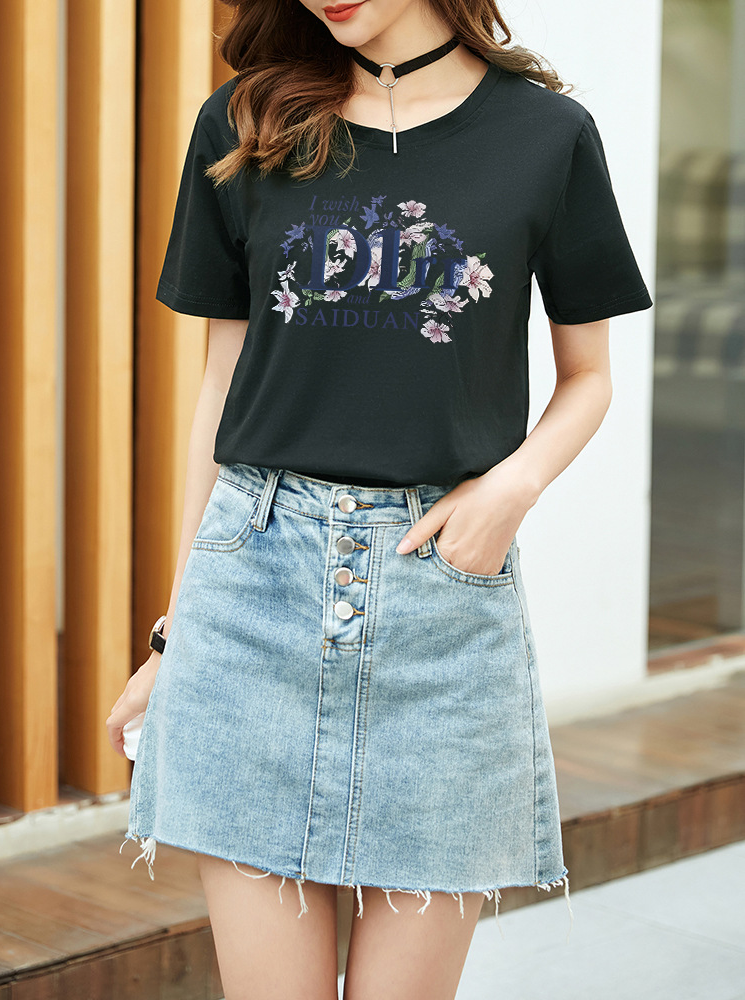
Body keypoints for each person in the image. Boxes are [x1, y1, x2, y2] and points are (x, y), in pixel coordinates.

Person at [106, 1, 653, 997]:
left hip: (440, 602)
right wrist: (174, 636)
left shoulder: (546, 135)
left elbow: (591, 376)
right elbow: (221, 387)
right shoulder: (248, 121)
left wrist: (512, 488)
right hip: (253, 591)